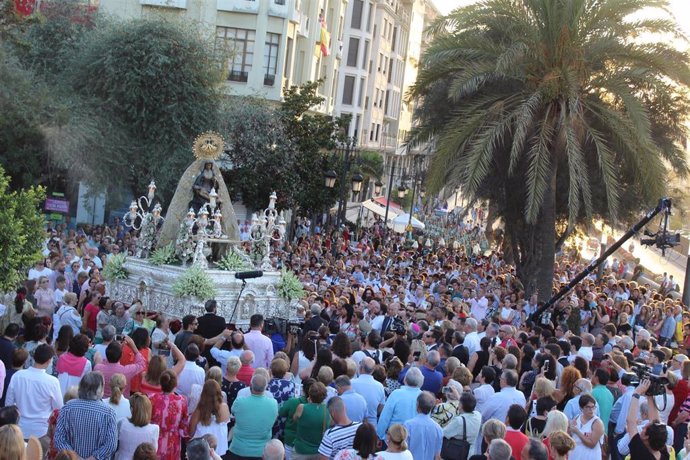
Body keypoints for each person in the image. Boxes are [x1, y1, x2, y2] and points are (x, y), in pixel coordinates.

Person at [53, 372, 118, 460]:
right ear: (100, 390)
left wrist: (74, 456)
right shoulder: (109, 413)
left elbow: (58, 439)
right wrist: (94, 457)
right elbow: (111, 445)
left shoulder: (67, 408)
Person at [6, 344, 63, 439]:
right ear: (49, 360)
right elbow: (58, 408)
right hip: (41, 431)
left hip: (19, 428)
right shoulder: (53, 382)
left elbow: (8, 403)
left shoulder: (18, 376)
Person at [230, 373, 279, 459]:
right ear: (265, 388)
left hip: (239, 450)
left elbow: (233, 414)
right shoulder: (273, 404)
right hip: (262, 452)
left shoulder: (240, 402)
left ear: (250, 386)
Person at [626, 379, 670, 460]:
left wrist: (637, 393)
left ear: (646, 437)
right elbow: (656, 421)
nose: (642, 428)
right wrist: (650, 395)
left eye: (644, 428)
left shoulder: (641, 454)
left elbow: (631, 422)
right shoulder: (663, 454)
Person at [150, 370, 189, 460]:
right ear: (175, 384)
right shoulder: (182, 401)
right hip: (173, 442)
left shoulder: (152, 398)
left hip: (155, 439)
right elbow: (184, 427)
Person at [377, 367, 424, 440]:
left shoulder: (396, 394)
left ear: (405, 379)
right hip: (414, 439)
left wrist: (380, 436)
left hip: (395, 439)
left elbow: (385, 417)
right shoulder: (423, 396)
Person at [189, 380, 231, 458]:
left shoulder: (199, 410)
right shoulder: (224, 407)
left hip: (201, 451)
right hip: (220, 450)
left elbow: (191, 432)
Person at [113, 393, 160, 460]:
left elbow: (114, 446)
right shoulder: (154, 429)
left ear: (132, 409)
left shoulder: (122, 423)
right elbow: (153, 450)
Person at [293, 381, 331, 459]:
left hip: (301, 450)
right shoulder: (327, 411)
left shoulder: (302, 407)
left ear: (309, 394)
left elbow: (295, 419)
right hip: (317, 451)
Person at [403, 391, 443, 460]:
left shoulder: (408, 425)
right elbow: (437, 455)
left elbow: (403, 450)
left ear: (417, 405)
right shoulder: (438, 428)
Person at [568, 394, 604, 460]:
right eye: (588, 407)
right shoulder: (576, 418)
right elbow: (570, 435)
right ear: (581, 408)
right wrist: (569, 430)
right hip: (575, 454)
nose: (591, 410)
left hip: (590, 456)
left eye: (593, 407)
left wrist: (577, 432)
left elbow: (592, 444)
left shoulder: (597, 422)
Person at [352, 357, 386, 425]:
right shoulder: (379, 386)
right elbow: (380, 409)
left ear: (360, 368)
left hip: (354, 424)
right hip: (371, 425)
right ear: (373, 370)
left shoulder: (351, 383)